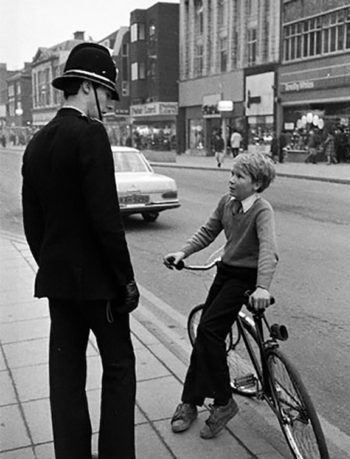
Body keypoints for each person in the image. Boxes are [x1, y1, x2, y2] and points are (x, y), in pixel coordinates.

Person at [21, 42, 139, 459]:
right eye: (107, 93)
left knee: (66, 376)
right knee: (120, 368)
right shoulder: (90, 135)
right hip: (100, 288)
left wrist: (52, 265)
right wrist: (126, 281)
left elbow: (33, 223)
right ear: (88, 87)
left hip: (58, 286)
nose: (107, 104)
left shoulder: (37, 143)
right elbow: (107, 220)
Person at [163, 152, 278, 439]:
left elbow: (268, 249)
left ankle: (224, 402)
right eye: (232, 174)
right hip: (225, 272)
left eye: (239, 176)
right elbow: (208, 231)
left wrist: (263, 286)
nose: (231, 180)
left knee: (209, 332)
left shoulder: (262, 210)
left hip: (245, 279)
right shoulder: (227, 203)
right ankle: (191, 401)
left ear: (257, 184)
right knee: (206, 335)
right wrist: (183, 252)